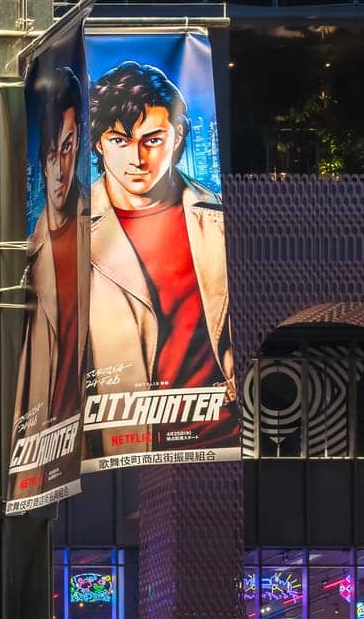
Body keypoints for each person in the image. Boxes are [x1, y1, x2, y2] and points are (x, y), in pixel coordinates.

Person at [86, 60, 237, 455]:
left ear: (178, 135)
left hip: (218, 439)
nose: (137, 158)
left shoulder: (218, 219)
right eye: (119, 141)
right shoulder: (68, 232)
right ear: (98, 143)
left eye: (152, 139)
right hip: (120, 447)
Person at [14, 66, 86, 434]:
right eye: (51, 155)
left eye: (69, 147)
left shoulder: (106, 229)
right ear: (41, 161)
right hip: (36, 440)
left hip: (95, 435)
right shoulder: (18, 254)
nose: (60, 169)